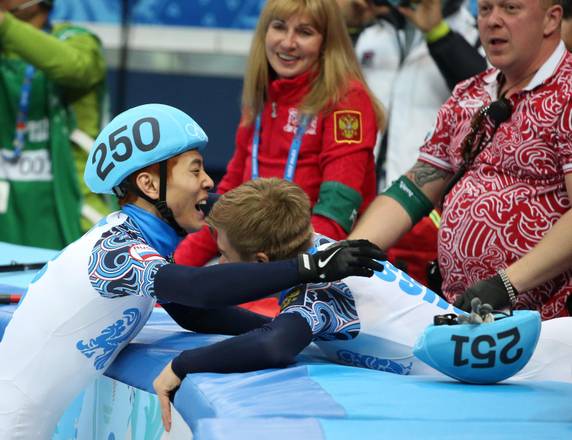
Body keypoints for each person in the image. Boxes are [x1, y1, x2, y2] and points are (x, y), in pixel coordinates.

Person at [0, 104, 384, 439]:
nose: (208, 182)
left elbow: (193, 311)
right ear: (149, 184)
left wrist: (286, 328)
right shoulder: (115, 250)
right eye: (195, 170)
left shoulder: (135, 242)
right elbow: (197, 289)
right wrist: (307, 267)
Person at [153, 177, 572, 432]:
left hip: (551, 364)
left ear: (261, 262)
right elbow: (254, 326)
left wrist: (182, 364)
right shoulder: (320, 250)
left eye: (224, 255)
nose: (221, 263)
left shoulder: (320, 291)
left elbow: (271, 345)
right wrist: (175, 300)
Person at [348, 0, 572, 319]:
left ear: (551, 20)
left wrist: (507, 284)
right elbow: (415, 186)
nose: (492, 21)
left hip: (548, 323)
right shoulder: (469, 94)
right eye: (484, 10)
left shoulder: (569, 93)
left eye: (510, 9)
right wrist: (349, 252)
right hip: (463, 315)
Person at [175, 0, 386, 270]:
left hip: (316, 267)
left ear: (327, 43)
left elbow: (336, 211)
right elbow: (229, 200)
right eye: (279, 27)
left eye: (305, 32)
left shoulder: (347, 99)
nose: (288, 42)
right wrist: (177, 268)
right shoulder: (263, 94)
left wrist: (288, 274)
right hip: (257, 263)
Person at [335, 0, 488, 285]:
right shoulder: (373, 32)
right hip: (365, 205)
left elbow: (489, 99)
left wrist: (436, 32)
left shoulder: (477, 34)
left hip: (425, 211)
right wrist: (350, 25)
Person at [0, 0, 111, 250]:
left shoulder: (80, 41)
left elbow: (74, 67)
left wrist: (5, 25)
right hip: (7, 210)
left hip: (69, 208)